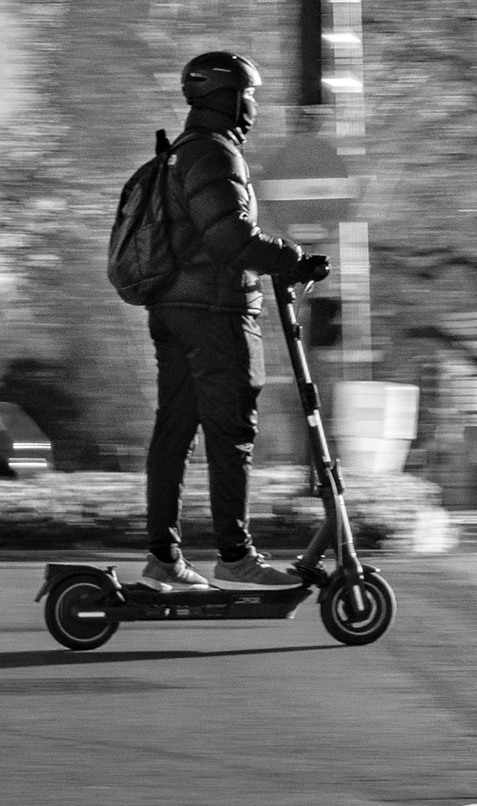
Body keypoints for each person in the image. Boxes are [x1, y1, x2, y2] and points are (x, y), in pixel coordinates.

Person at [140, 51, 329, 590]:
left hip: (174, 309)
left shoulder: (180, 152)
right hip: (215, 312)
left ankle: (163, 560)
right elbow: (230, 238)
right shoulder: (214, 153)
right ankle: (235, 556)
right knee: (232, 433)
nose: (253, 106)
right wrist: (293, 259)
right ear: (226, 97)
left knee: (175, 432)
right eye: (249, 94)